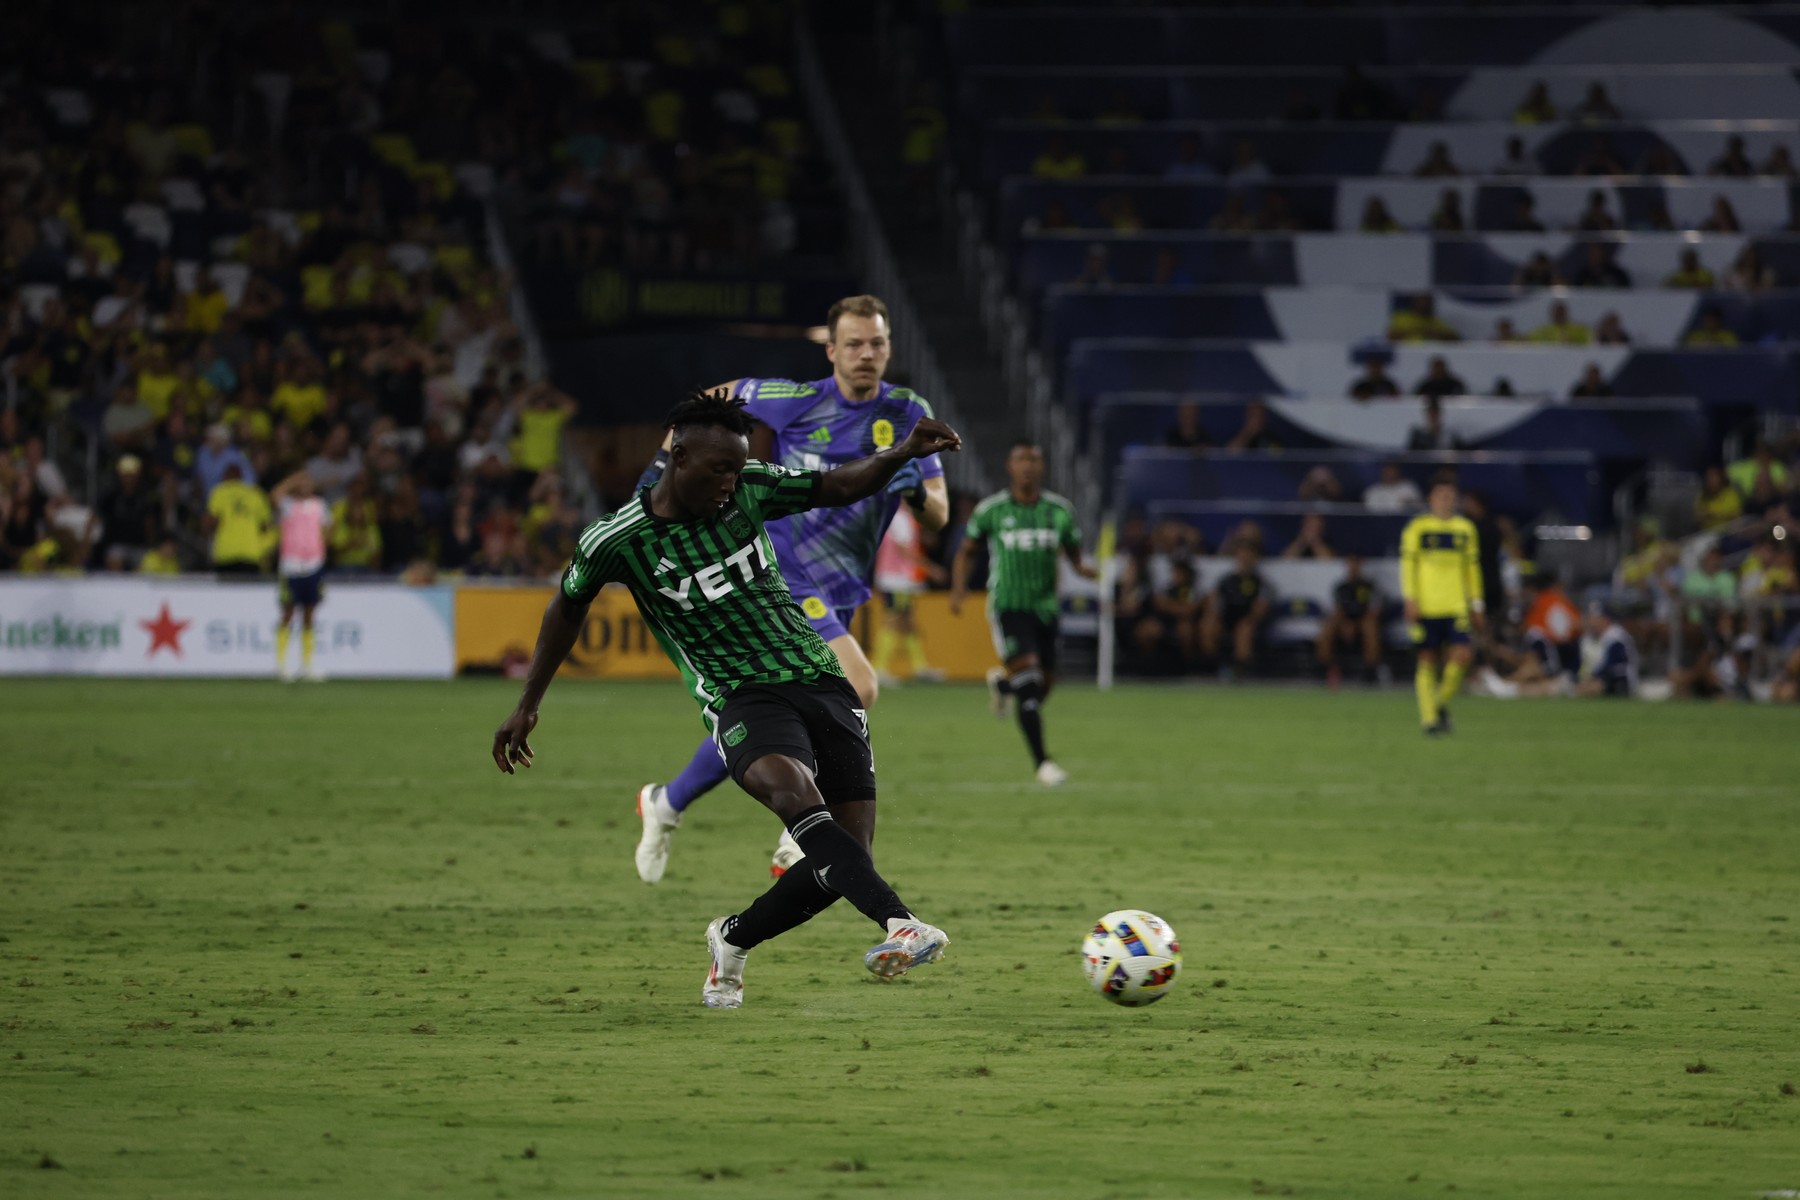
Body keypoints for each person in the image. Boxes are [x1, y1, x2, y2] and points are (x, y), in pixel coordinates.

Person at [492, 390, 962, 1006]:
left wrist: (901, 453)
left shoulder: (750, 488)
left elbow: (836, 487)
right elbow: (567, 607)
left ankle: (732, 940)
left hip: (818, 677)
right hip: (739, 695)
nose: (730, 480)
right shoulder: (618, 539)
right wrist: (529, 701)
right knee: (794, 795)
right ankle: (900, 922)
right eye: (719, 468)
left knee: (845, 857)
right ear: (677, 458)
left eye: (737, 467)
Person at [633, 295, 951, 883]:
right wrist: (660, 470)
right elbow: (705, 406)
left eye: (876, 344)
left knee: (771, 714)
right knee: (859, 685)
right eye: (853, 344)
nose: (866, 355)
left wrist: (915, 490)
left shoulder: (909, 411)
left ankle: (667, 802)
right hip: (780, 569)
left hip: (845, 586)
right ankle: (800, 829)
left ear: (889, 349)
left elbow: (939, 516)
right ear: (831, 350)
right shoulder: (795, 400)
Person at [950, 441, 1095, 785]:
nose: (1027, 466)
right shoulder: (992, 510)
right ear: (1009, 466)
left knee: (1043, 685)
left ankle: (1004, 687)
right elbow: (966, 552)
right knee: (1029, 680)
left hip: (1046, 607)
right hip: (1008, 606)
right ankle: (1043, 763)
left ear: (1041, 466)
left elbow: (1075, 558)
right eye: (1021, 459)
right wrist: (958, 589)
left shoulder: (1059, 511)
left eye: (1034, 459)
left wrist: (1091, 572)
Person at [1401, 479, 1484, 734]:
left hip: (1456, 604)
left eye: (1450, 496)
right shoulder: (1417, 528)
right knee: (1427, 659)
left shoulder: (1465, 529)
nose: (1445, 501)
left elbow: (1472, 568)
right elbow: (1408, 567)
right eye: (1441, 496)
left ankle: (1435, 705)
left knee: (1462, 656)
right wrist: (1410, 599)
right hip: (1426, 605)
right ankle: (1430, 720)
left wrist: (1477, 603)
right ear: (1431, 499)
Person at [870, 504, 946, 687]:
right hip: (896, 579)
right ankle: (878, 668)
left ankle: (919, 668)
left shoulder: (897, 517)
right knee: (894, 620)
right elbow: (903, 550)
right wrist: (930, 568)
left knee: (908, 622)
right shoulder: (899, 518)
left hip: (897, 579)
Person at [270, 470, 330, 682]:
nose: (305, 485)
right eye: (301, 482)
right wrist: (291, 480)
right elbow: (275, 494)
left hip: (313, 565)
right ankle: (281, 664)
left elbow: (325, 532)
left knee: (309, 615)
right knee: (288, 613)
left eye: (308, 481)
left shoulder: (319, 506)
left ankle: (307, 665)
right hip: (291, 566)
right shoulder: (287, 505)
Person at [1199, 543, 1271, 680]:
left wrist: (1250, 619)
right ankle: (1215, 667)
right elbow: (1214, 600)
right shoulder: (1226, 580)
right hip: (1227, 618)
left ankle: (1241, 670)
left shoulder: (1260, 582)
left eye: (1248, 556)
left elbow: (1262, 607)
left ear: (1255, 559)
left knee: (1244, 629)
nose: (1245, 559)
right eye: (1242, 555)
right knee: (1208, 626)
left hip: (1248, 620)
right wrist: (1214, 616)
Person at [1316, 554, 1382, 687]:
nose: (1353, 567)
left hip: (1363, 621)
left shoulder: (1369, 586)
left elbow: (1374, 609)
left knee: (1370, 626)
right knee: (1327, 626)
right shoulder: (1341, 587)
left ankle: (1370, 670)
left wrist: (1356, 624)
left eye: (1356, 563)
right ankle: (1325, 668)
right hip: (1344, 622)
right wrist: (1346, 624)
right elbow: (1337, 609)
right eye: (1351, 563)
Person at [204, 462, 270, 574]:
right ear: (241, 477)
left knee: (226, 591)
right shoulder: (256, 493)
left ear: (225, 476)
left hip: (225, 552)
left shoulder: (220, 492)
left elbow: (211, 522)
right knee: (248, 590)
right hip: (251, 552)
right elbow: (264, 527)